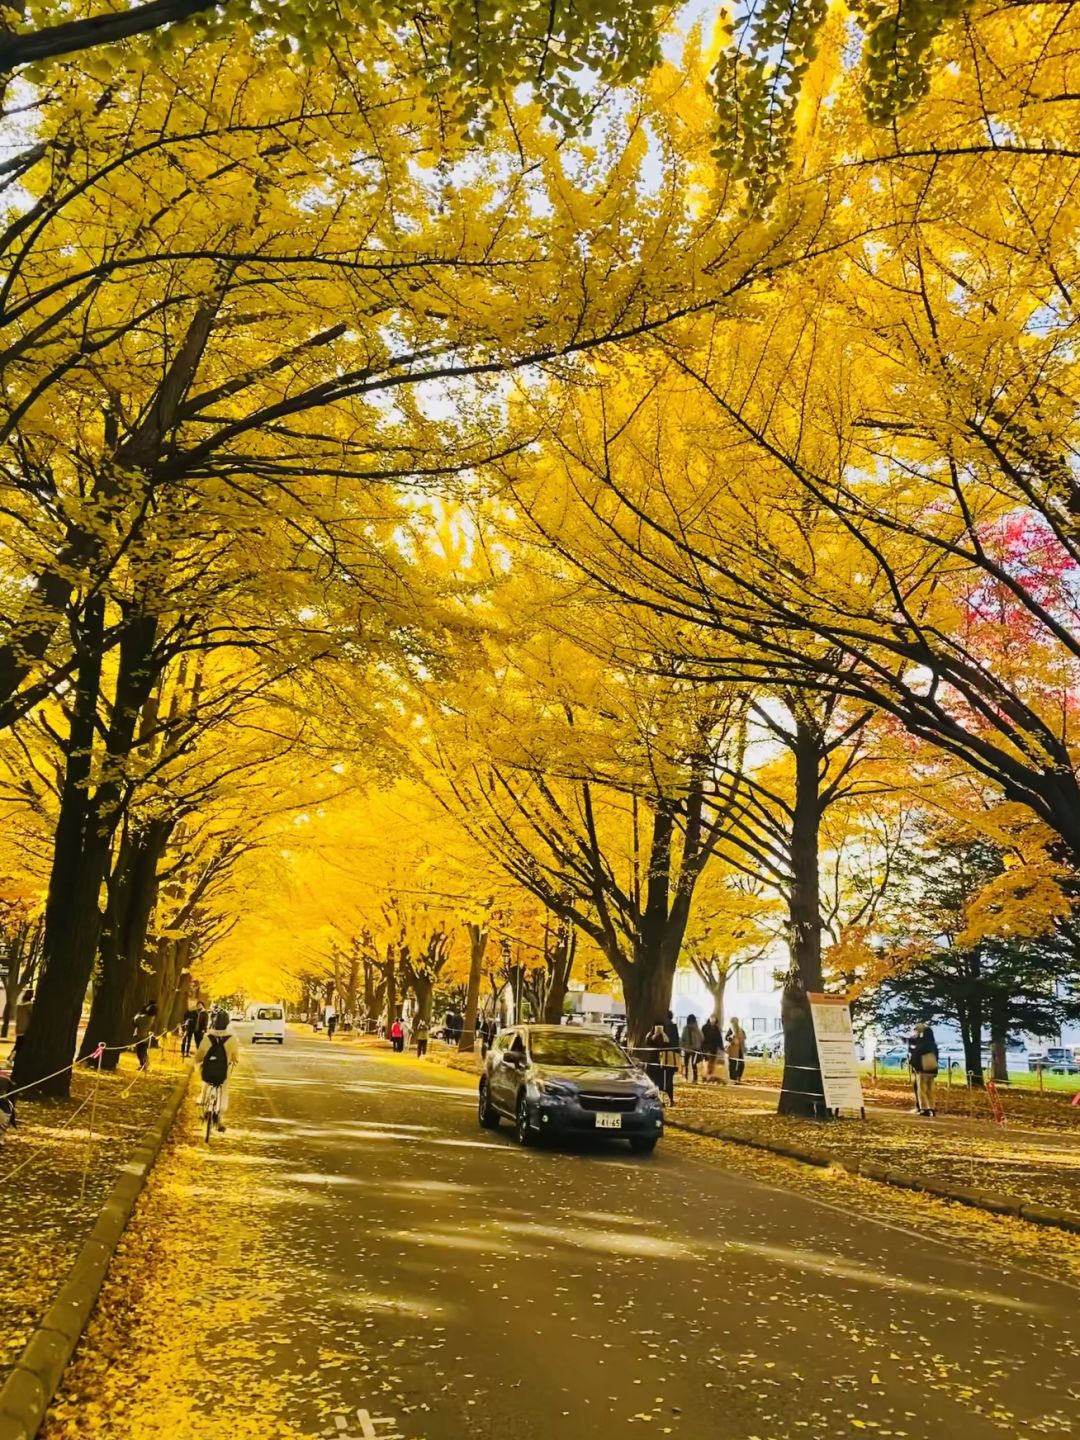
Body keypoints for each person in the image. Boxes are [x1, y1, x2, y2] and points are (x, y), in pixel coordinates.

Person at [194, 1010, 240, 1132]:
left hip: (208, 1070)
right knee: (223, 1090)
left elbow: (199, 1054)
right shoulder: (232, 1039)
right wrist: (233, 1060)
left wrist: (197, 1061)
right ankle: (219, 1117)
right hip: (222, 1071)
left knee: (205, 1084)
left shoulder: (207, 1037)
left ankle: (203, 1102)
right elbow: (235, 1056)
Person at [907, 1022, 939, 1116]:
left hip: (922, 1070)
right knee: (930, 1090)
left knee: (922, 1089)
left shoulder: (922, 1044)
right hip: (932, 1070)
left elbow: (916, 1055)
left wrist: (913, 1063)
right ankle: (932, 1108)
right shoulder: (933, 1045)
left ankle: (924, 1108)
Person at [132, 1001, 157, 1070]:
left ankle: (144, 1065)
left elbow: (135, 1020)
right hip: (145, 1037)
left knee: (140, 1052)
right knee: (143, 1051)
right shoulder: (152, 1017)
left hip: (141, 1037)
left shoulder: (144, 1018)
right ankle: (145, 1064)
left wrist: (140, 1012)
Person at [701, 1015, 724, 1082]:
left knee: (712, 1064)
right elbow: (702, 1038)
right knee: (706, 1063)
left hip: (714, 1049)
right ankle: (705, 1076)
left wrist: (721, 1048)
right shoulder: (705, 1027)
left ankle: (710, 1076)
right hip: (706, 1048)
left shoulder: (716, 1028)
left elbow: (719, 1039)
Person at [681, 1014, 704, 1083]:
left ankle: (690, 1078)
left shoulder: (694, 1029)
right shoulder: (696, 1029)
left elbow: (683, 1038)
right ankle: (691, 1078)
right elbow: (702, 1038)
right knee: (690, 1064)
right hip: (691, 1048)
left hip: (692, 1049)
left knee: (690, 1064)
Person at [726, 1017, 746, 1082]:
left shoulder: (741, 1030)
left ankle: (738, 1076)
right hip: (733, 1050)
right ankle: (733, 1078)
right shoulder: (730, 1030)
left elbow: (744, 1038)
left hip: (740, 1049)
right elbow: (726, 1037)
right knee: (732, 1064)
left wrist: (740, 1041)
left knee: (741, 1064)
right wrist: (731, 1038)